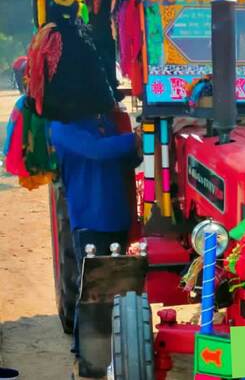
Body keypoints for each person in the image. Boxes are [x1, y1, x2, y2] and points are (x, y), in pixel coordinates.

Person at [49, 111, 143, 356]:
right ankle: (88, 354)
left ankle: (113, 348)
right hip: (90, 218)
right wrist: (134, 139)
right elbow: (97, 150)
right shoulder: (60, 125)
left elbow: (125, 160)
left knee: (116, 288)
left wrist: (141, 143)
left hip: (116, 216)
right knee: (93, 289)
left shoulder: (104, 122)